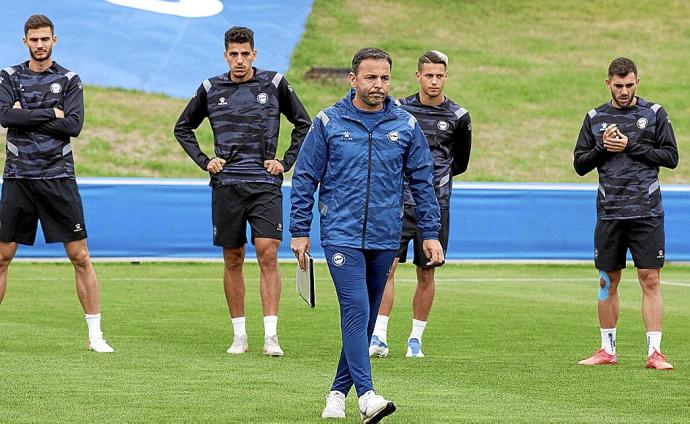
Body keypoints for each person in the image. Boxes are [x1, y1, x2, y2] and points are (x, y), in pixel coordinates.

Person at [290, 47, 444, 422]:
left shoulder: (405, 125)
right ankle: (368, 396)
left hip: (385, 234)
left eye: (385, 78)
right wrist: (299, 230)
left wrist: (430, 232)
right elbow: (305, 178)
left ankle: (336, 394)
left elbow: (423, 182)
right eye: (371, 77)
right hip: (340, 234)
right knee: (356, 309)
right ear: (353, 79)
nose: (378, 84)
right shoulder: (328, 122)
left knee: (367, 318)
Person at [174, 26, 310, 357]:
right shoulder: (210, 87)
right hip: (227, 186)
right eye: (233, 54)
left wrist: (285, 161)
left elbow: (303, 124)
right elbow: (183, 127)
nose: (239, 60)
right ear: (225, 55)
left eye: (245, 54)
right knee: (232, 258)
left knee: (267, 252)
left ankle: (271, 335)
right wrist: (206, 161)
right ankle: (239, 335)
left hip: (264, 184)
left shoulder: (274, 84)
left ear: (254, 54)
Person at [0, 15, 114, 353]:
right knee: (2, 256)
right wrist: (52, 114)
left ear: (54, 40)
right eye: (33, 39)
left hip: (58, 178)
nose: (39, 44)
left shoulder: (68, 79)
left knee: (80, 255)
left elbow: (74, 126)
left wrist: (28, 115)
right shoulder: (8, 76)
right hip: (18, 178)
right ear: (25, 42)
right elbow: (6, 117)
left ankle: (95, 336)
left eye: (44, 39)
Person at [574, 57, 678, 370]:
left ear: (637, 82)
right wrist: (603, 148)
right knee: (607, 280)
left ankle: (655, 352)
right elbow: (580, 164)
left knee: (650, 279)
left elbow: (671, 157)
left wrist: (630, 144)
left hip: (646, 212)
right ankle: (607, 350)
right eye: (618, 85)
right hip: (610, 213)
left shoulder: (655, 113)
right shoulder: (595, 117)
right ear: (608, 83)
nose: (624, 90)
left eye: (629, 85)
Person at [369, 50, 472, 359]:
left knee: (427, 273)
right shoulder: (399, 110)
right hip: (396, 206)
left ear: (446, 77)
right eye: (429, 75)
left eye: (440, 75)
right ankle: (380, 336)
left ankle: (415, 339)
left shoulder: (458, 116)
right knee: (386, 269)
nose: (434, 81)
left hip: (435, 207)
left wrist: (430, 184)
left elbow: (460, 163)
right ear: (418, 76)